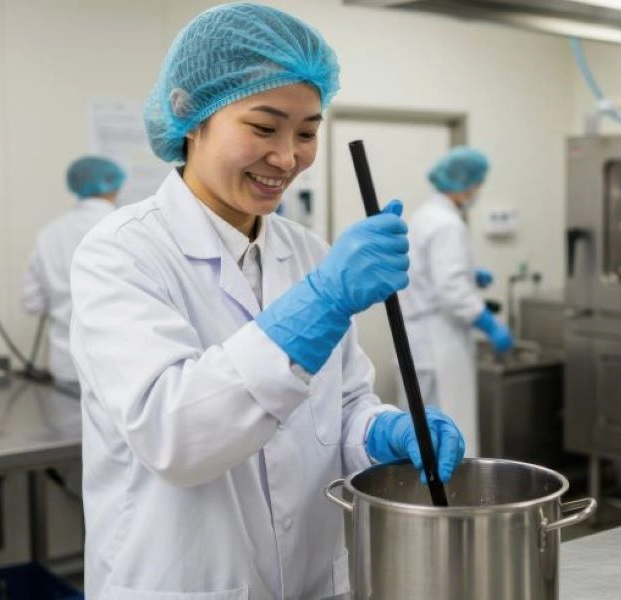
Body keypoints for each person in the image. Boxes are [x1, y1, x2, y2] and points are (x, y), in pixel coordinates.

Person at [69, 4, 465, 599]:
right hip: (185, 581)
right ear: (191, 116)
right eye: (263, 127)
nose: (287, 157)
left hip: (312, 580)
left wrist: (385, 430)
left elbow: (341, 406)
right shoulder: (122, 252)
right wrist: (322, 303)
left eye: (307, 132)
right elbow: (175, 436)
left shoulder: (305, 250)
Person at [400, 147, 513, 456]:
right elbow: (452, 294)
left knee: (422, 429)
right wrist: (489, 323)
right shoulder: (447, 224)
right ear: (466, 184)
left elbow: (427, 272)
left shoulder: (425, 215)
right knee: (448, 428)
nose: (478, 191)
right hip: (440, 340)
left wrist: (469, 275)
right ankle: (453, 501)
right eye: (478, 184)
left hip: (421, 334)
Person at [22, 156, 125, 394]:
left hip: (65, 365)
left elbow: (32, 303)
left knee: (70, 430)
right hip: (116, 366)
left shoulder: (49, 233)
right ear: (115, 185)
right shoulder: (124, 226)